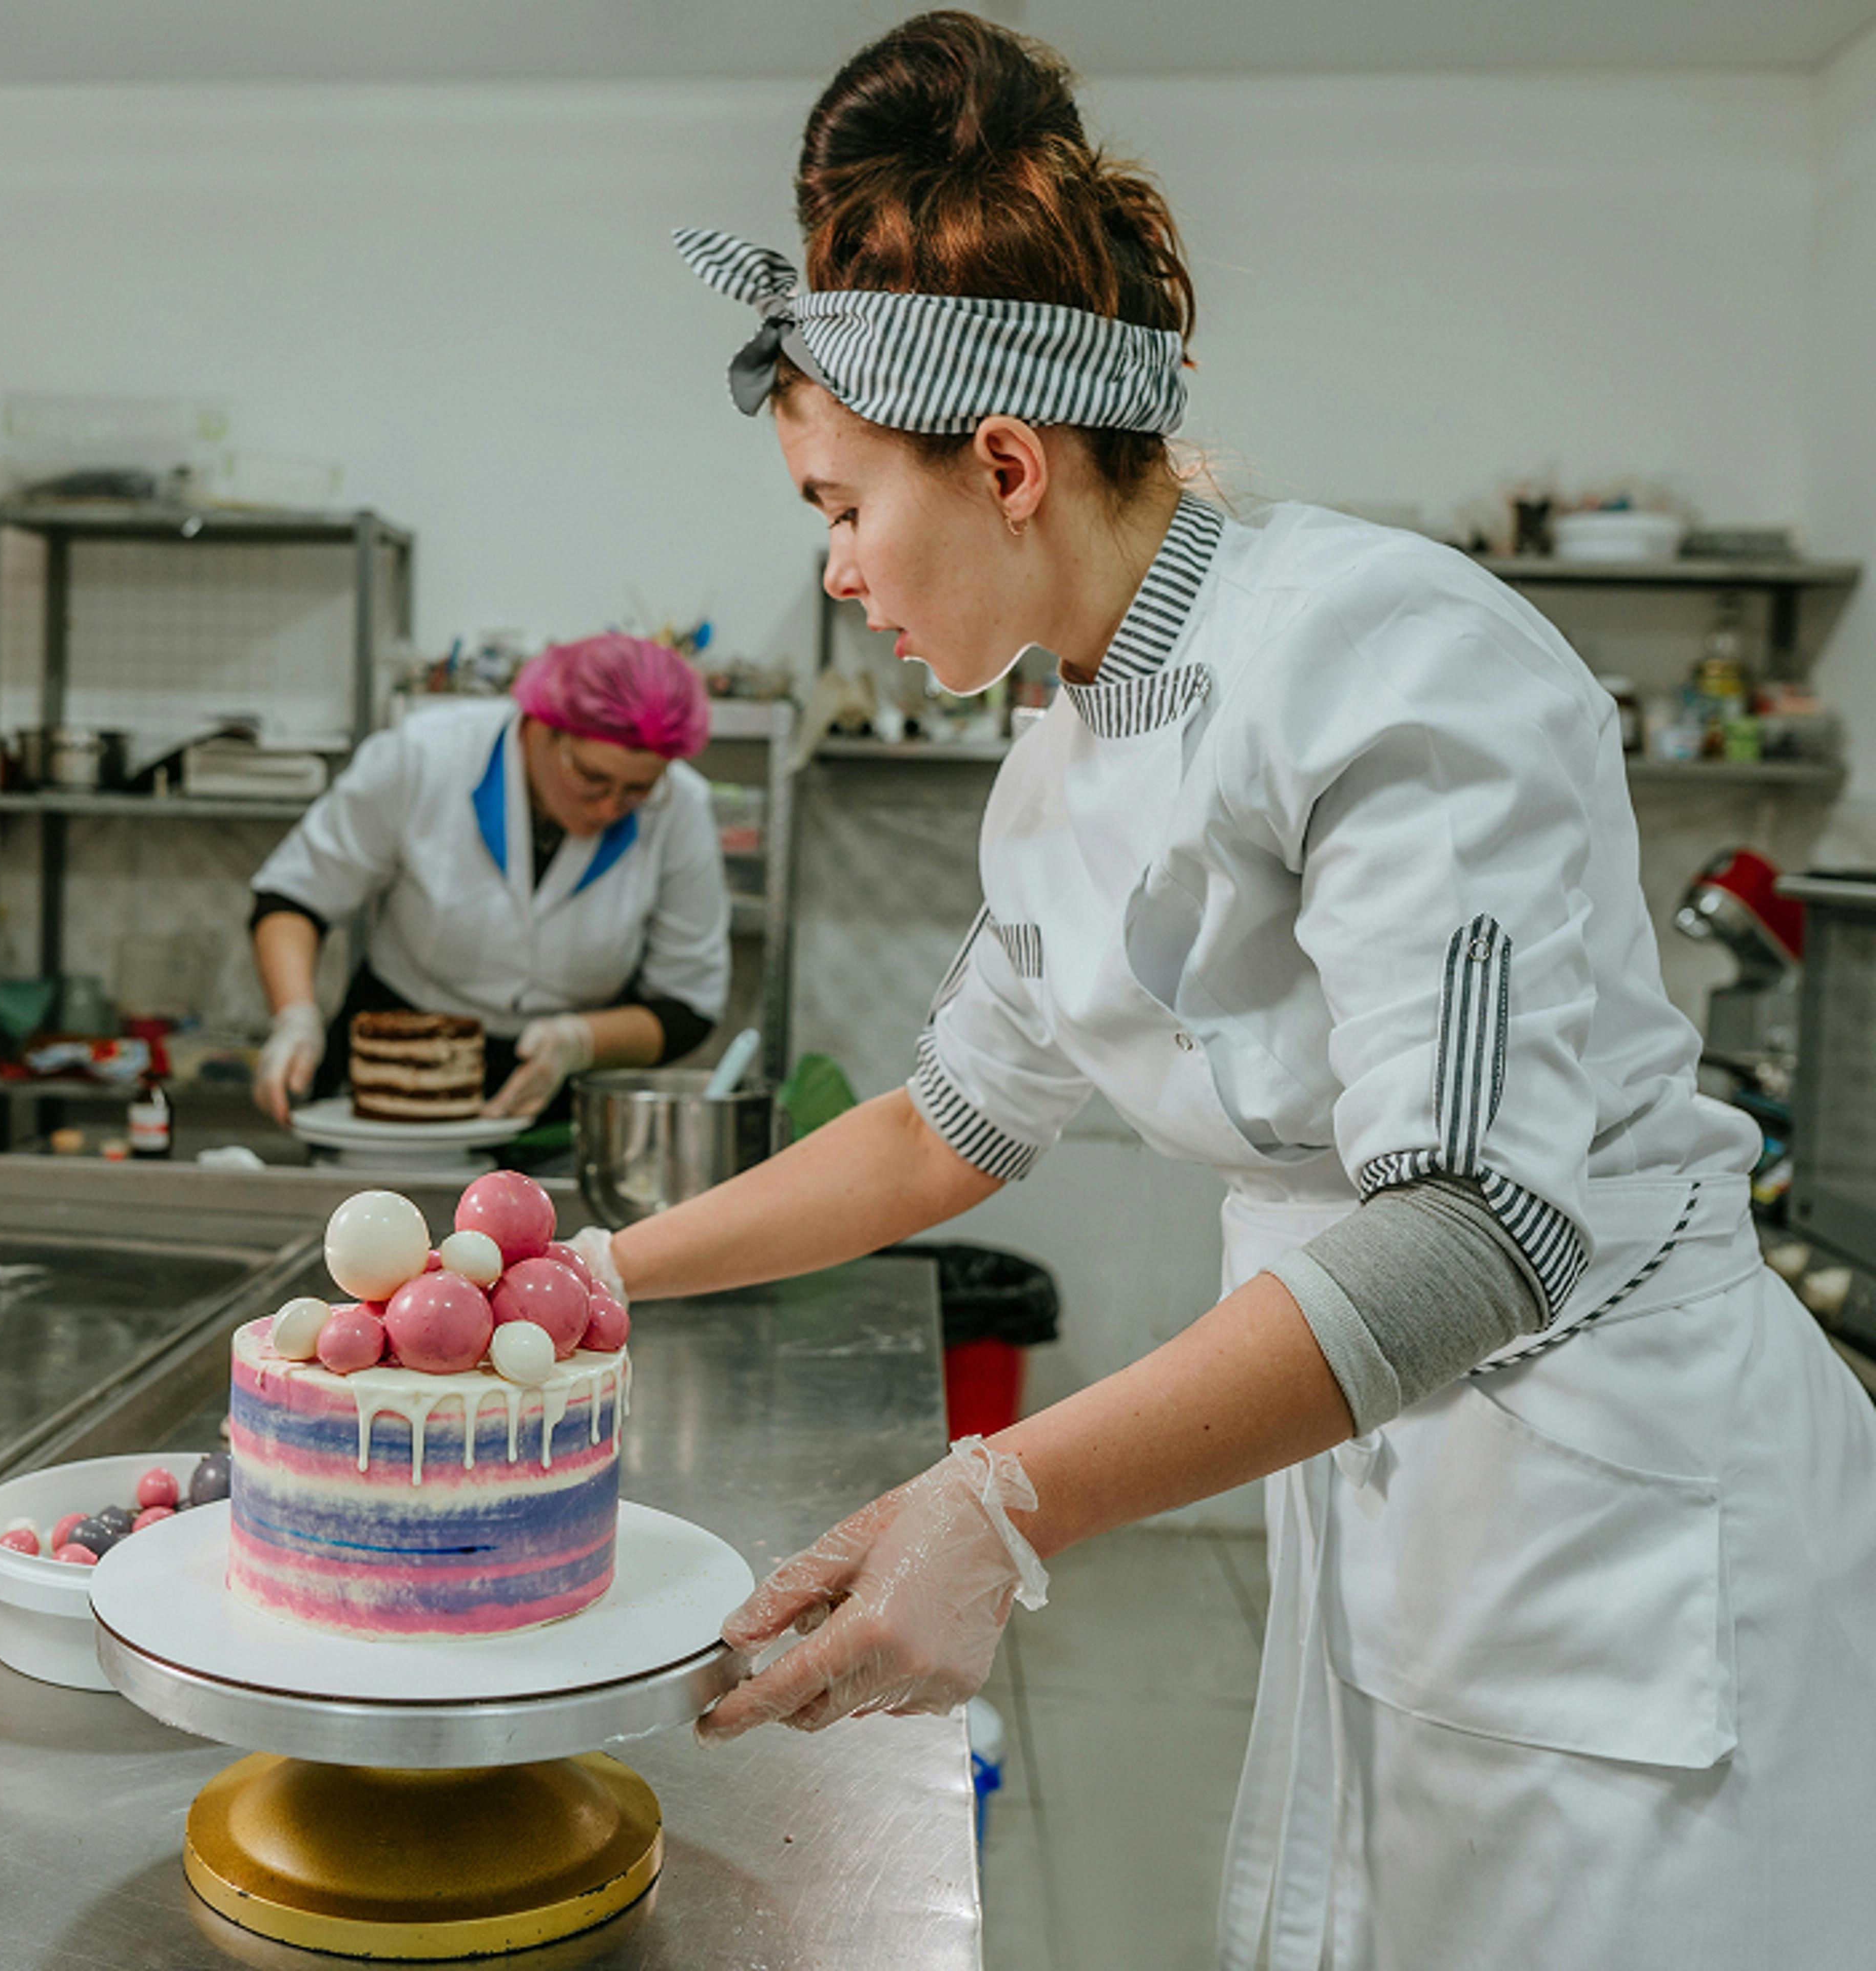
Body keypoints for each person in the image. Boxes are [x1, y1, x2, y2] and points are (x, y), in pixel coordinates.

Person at [559, 13, 1876, 1967]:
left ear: (1004, 462)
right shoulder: (1062, 762)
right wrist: (596, 1277)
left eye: (842, 507)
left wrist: (1004, 1499)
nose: (836, 569)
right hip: (1386, 1481)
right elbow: (944, 1129)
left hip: (1616, 1493)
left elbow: (1483, 1226)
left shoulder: (1387, 656)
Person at [249, 633, 728, 1124]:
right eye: (592, 779)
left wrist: (580, 1043)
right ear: (543, 727)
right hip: (394, 1064)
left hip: (557, 1095)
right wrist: (295, 1018)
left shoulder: (681, 809)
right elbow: (293, 897)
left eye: (636, 791)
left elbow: (687, 1006)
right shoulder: (424, 757)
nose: (610, 807)